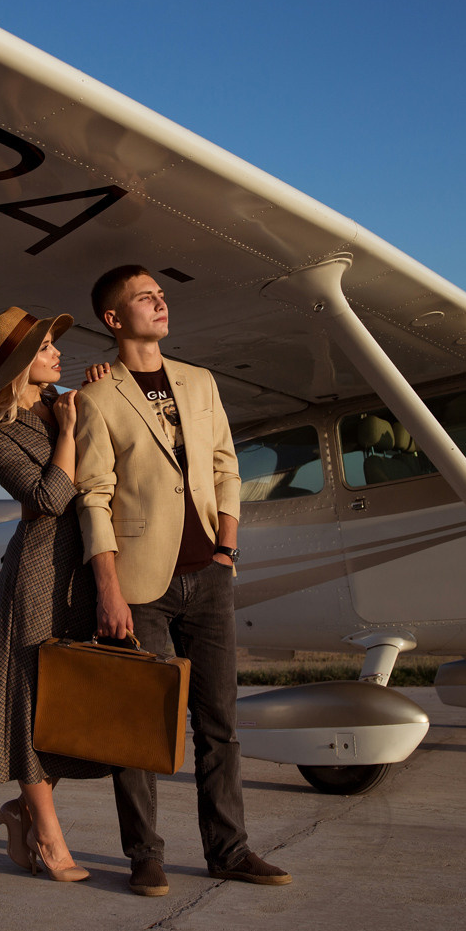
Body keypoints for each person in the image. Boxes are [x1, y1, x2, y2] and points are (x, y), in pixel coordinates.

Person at [74, 265, 292, 896]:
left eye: (161, 294)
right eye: (146, 297)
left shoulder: (199, 383)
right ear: (115, 319)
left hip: (208, 575)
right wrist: (108, 589)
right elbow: (95, 494)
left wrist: (226, 548)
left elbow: (226, 465)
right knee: (139, 726)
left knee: (219, 723)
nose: (160, 301)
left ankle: (231, 850)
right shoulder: (96, 395)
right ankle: (145, 856)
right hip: (140, 584)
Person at [0, 306, 111, 883]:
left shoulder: (67, 403)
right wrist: (73, 430)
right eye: (47, 346)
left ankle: (22, 811)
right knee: (30, 701)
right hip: (36, 574)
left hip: (84, 571)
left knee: (63, 702)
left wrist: (99, 402)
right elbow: (50, 497)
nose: (57, 354)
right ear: (22, 363)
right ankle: (51, 843)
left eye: (54, 344)